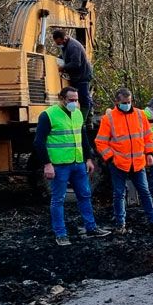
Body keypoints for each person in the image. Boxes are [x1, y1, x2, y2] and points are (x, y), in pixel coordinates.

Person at [33, 86, 112, 246]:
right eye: (71, 100)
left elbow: (82, 138)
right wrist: (47, 165)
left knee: (85, 196)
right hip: (59, 166)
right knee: (58, 200)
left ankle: (91, 227)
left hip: (78, 164)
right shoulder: (48, 115)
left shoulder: (77, 114)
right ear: (62, 99)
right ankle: (60, 234)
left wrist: (88, 159)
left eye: (76, 100)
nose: (74, 103)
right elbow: (38, 142)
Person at [94, 87, 153, 233]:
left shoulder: (139, 115)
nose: (127, 104)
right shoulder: (109, 118)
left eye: (129, 101)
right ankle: (120, 224)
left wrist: (149, 153)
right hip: (118, 163)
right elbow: (100, 141)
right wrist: (110, 157)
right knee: (119, 194)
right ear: (117, 101)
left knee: (144, 191)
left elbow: (147, 135)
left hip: (137, 162)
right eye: (124, 102)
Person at [53, 29, 93, 116]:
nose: (58, 45)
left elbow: (76, 63)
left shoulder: (73, 46)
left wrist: (62, 68)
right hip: (76, 76)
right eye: (57, 43)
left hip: (83, 76)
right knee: (77, 97)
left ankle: (84, 121)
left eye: (59, 43)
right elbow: (66, 57)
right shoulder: (65, 46)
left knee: (84, 99)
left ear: (64, 38)